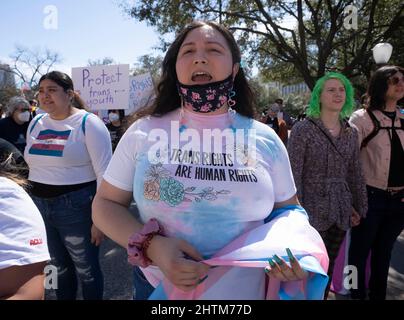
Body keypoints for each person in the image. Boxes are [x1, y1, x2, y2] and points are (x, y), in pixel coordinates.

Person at [92, 21, 329, 300]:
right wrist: (153, 247)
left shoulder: (265, 138)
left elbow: (289, 212)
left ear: (234, 69)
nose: (200, 57)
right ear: (176, 69)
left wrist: (295, 254)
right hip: (156, 286)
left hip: (244, 291)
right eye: (188, 51)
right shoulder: (143, 132)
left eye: (214, 49)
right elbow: (105, 204)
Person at [24, 71, 112, 300]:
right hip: (40, 207)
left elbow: (104, 172)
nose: (45, 96)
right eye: (41, 91)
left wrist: (100, 219)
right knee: (56, 268)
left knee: (87, 271)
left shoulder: (88, 123)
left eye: (52, 90)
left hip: (77, 208)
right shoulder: (35, 123)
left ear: (69, 94)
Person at [287, 72, 368, 299]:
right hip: (309, 211)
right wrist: (295, 212)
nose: (338, 94)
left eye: (342, 90)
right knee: (305, 268)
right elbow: (293, 174)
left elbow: (354, 171)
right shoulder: (304, 129)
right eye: (331, 90)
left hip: (340, 210)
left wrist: (357, 205)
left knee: (327, 268)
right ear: (319, 97)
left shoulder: (351, 132)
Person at [348, 65, 404, 300]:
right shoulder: (362, 118)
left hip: (399, 201)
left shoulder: (402, 118)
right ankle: (355, 294)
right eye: (394, 80)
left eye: (402, 79)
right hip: (369, 197)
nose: (401, 83)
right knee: (358, 255)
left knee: (384, 254)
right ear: (381, 84)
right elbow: (348, 161)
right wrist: (350, 201)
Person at [0, 149, 50, 299]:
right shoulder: (36, 124)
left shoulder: (5, 194)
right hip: (44, 202)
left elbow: (28, 294)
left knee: (81, 267)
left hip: (72, 203)